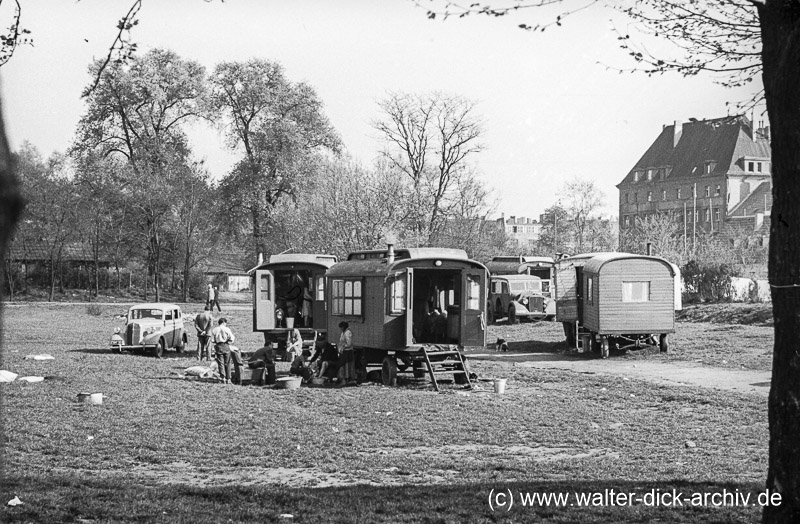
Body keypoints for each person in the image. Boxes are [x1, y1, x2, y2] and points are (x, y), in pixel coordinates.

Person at [211, 317, 235, 384]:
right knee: (227, 363)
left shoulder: (215, 329)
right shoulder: (227, 329)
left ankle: (222, 378)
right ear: (223, 322)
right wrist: (229, 341)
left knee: (220, 363)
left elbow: (212, 340)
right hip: (225, 345)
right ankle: (228, 378)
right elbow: (232, 338)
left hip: (218, 346)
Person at [337, 321, 357, 386]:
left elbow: (349, 343)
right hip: (343, 351)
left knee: (346, 366)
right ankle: (344, 380)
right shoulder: (343, 333)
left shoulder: (348, 333)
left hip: (347, 351)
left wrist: (343, 346)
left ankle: (347, 380)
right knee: (343, 365)